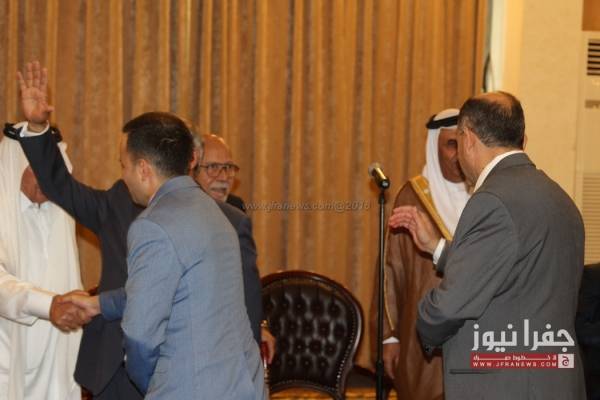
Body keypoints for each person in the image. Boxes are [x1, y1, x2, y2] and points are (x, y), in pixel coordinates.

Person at [14, 61, 270, 399]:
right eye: (215, 166)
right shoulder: (120, 200)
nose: (222, 175)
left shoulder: (228, 218)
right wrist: (37, 128)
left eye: (227, 167)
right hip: (114, 368)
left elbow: (241, 309)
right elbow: (61, 187)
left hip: (176, 375)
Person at [389, 91, 586, 399]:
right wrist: (438, 247)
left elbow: (448, 307)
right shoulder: (559, 197)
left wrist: (423, 321)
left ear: (468, 139)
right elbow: (516, 270)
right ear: (522, 139)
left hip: (508, 385)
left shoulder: (491, 201)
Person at [371, 108, 469, 399]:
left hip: (472, 332)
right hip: (421, 336)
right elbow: (390, 269)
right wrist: (389, 336)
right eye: (450, 145)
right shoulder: (412, 197)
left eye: (462, 145)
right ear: (433, 147)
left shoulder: (485, 196)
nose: (457, 155)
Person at [0, 124, 86, 399]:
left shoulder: (62, 212)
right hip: (8, 364)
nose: (48, 178)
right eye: (38, 168)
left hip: (58, 364)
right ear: (16, 165)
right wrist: (48, 305)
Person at [196, 134, 245, 211]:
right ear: (192, 171)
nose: (224, 178)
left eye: (228, 167)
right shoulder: (179, 209)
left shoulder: (236, 207)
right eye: (213, 166)